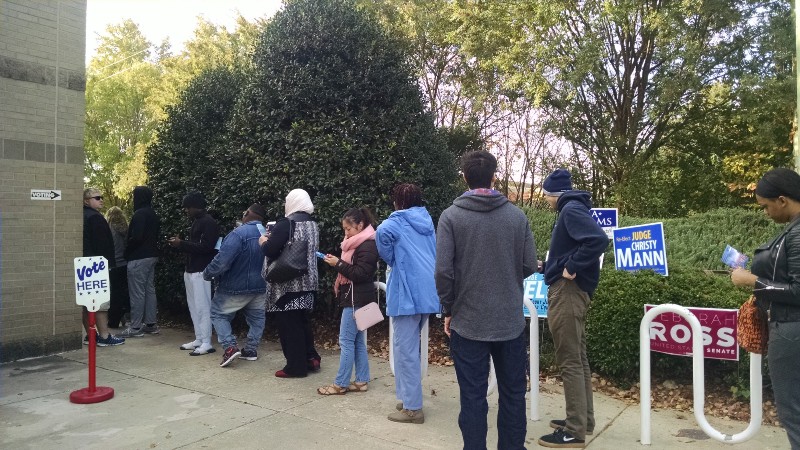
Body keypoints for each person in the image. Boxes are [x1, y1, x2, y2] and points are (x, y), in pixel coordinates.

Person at [435, 151, 537, 448]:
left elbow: (443, 271)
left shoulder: (451, 216)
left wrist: (449, 307)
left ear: (465, 177)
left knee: (472, 397)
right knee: (513, 395)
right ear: (494, 176)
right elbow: (530, 264)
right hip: (510, 322)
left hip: (468, 322)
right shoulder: (517, 216)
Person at [538, 168, 608, 449]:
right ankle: (583, 420)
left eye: (545, 195)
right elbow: (582, 244)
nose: (545, 200)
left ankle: (574, 431)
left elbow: (598, 240)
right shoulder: (574, 208)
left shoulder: (570, 210)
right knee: (577, 357)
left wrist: (569, 267)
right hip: (573, 290)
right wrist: (553, 265)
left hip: (568, 293)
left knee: (569, 359)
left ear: (553, 194)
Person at [731, 168, 800, 450]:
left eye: (766, 206)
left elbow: (798, 291)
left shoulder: (797, 235)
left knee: (793, 411)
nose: (765, 213)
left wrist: (753, 281)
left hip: (791, 329)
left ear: (782, 200)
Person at [376, 183, 440, 424]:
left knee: (405, 352)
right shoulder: (426, 221)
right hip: (427, 291)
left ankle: (413, 408)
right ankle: (405, 398)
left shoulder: (396, 221)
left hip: (406, 292)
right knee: (407, 349)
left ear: (397, 202)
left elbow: (381, 233)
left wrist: (392, 257)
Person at [259, 188, 322, 378]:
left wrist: (263, 241)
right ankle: (311, 358)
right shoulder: (313, 224)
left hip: (288, 283)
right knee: (302, 321)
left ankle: (295, 367)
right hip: (308, 281)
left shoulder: (287, 223)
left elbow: (270, 250)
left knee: (289, 325)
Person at [317, 208, 378, 395]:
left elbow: (361, 274)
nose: (346, 233)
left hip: (355, 299)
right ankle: (361, 381)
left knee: (346, 341)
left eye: (348, 229)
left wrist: (339, 264)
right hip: (356, 297)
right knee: (357, 341)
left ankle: (340, 384)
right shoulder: (356, 244)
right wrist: (338, 264)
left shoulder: (367, 245)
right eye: (344, 229)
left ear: (360, 225)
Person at [204, 204, 269, 368]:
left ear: (247, 213)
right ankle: (251, 350)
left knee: (218, 314)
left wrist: (208, 273)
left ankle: (230, 347)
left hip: (234, 286)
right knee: (257, 319)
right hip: (261, 285)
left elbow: (222, 261)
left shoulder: (238, 234)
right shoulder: (268, 233)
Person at [168, 191, 220, 356]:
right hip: (191, 270)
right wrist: (181, 244)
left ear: (197, 207)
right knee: (193, 305)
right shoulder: (198, 222)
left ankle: (206, 342)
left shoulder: (209, 223)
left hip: (202, 271)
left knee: (203, 306)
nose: (186, 211)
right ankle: (199, 338)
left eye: (188, 207)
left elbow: (207, 247)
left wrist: (181, 244)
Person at [82, 188, 125, 346]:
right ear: (87, 200)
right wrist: (108, 264)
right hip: (97, 265)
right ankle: (105, 336)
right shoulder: (96, 218)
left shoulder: (81, 216)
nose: (101, 200)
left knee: (86, 303)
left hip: (83, 265)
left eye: (101, 197)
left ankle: (91, 335)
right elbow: (103, 245)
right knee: (100, 303)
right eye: (97, 197)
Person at [119, 186, 161, 338]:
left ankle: (135, 326)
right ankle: (151, 324)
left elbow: (136, 237)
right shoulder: (152, 214)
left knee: (137, 292)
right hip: (152, 255)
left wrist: (127, 251)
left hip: (138, 257)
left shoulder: (139, 214)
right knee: (150, 290)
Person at [105, 206, 130, 329]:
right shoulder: (126, 228)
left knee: (114, 292)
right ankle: (126, 315)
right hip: (125, 264)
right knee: (124, 291)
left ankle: (113, 320)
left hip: (113, 264)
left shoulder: (108, 229)